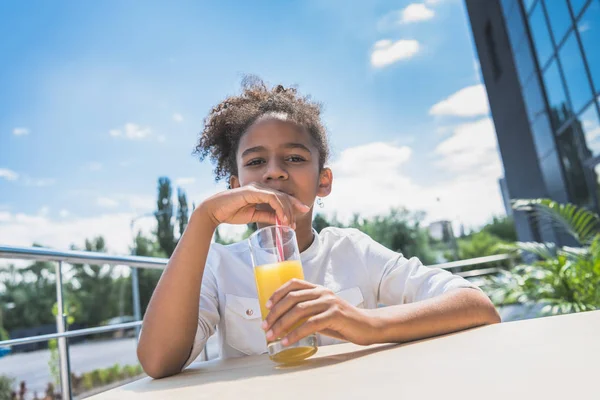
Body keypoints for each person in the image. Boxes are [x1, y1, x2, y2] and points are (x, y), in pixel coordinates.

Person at [137, 77, 500, 379]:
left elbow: (477, 305)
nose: (274, 171)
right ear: (235, 186)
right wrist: (203, 219)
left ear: (323, 181)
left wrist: (364, 324)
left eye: (294, 158)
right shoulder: (219, 266)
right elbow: (157, 361)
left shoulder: (353, 250)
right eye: (256, 161)